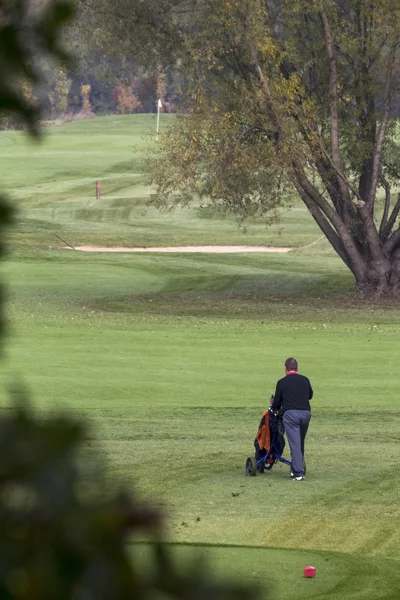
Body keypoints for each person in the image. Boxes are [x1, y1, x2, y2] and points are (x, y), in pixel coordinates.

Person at [271, 358, 313, 481]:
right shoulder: (305, 380)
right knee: (299, 442)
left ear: (285, 368)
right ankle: (295, 468)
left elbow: (277, 403)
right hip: (306, 414)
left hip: (291, 415)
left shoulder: (282, 382)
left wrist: (275, 406)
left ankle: (298, 473)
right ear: (297, 369)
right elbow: (310, 395)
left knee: (295, 444)